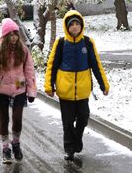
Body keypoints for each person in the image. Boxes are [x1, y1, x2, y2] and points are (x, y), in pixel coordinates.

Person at [44, 10, 109, 161]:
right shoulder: (60, 43)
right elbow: (52, 65)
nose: (74, 26)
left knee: (83, 118)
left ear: (81, 26)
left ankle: (77, 138)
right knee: (67, 122)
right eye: (71, 24)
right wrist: (49, 86)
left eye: (77, 24)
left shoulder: (87, 42)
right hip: (65, 91)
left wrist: (103, 84)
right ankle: (69, 149)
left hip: (83, 90)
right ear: (67, 27)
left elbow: (96, 65)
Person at [0, 18, 37, 165]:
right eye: (10, 34)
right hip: (1, 90)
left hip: (19, 88)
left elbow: (29, 71)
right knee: (4, 119)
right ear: (5, 36)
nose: (13, 37)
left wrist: (31, 91)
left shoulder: (23, 50)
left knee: (17, 119)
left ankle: (16, 143)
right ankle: (5, 148)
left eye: (15, 34)